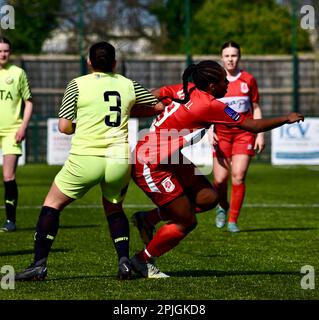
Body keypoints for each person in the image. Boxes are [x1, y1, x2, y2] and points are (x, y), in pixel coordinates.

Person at [129, 60, 304, 279]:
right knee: (186, 221)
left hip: (169, 158)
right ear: (212, 86)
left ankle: (148, 219)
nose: (227, 85)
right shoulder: (211, 105)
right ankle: (142, 261)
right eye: (223, 81)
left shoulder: (189, 88)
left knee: (208, 198)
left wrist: (138, 106)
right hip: (150, 163)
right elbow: (252, 125)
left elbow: (162, 91)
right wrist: (286, 119)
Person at [14, 41, 162, 281]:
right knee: (114, 209)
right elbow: (157, 106)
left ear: (89, 62)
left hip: (86, 158)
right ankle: (124, 262)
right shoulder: (128, 84)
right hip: (119, 160)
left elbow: (64, 127)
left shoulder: (77, 84)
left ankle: (38, 265)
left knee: (52, 205)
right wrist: (127, 111)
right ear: (114, 63)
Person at [210, 41, 264, 233]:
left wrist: (259, 134)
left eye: (234, 55)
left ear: (239, 57)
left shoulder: (248, 80)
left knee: (238, 176)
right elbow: (207, 108)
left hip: (244, 134)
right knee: (219, 180)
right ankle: (222, 206)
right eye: (227, 56)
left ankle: (233, 220)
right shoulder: (215, 81)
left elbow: (256, 107)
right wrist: (209, 131)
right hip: (221, 134)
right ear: (221, 58)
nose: (230, 59)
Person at [0, 37, 33, 232]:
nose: (3, 54)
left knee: (8, 176)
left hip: (12, 130)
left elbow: (28, 101)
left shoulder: (18, 73)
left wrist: (23, 126)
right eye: (0, 51)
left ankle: (10, 221)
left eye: (6, 51)